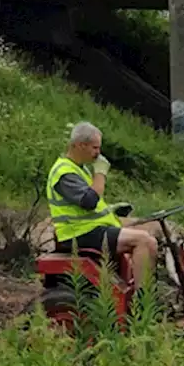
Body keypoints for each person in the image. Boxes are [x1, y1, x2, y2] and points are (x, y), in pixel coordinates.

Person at [46, 122, 159, 289]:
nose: (98, 153)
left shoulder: (79, 169)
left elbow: (84, 204)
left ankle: (142, 290)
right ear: (80, 145)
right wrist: (100, 173)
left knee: (149, 239)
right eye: (95, 148)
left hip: (89, 228)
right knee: (143, 241)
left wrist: (112, 208)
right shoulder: (64, 173)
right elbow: (90, 201)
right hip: (79, 233)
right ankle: (142, 300)